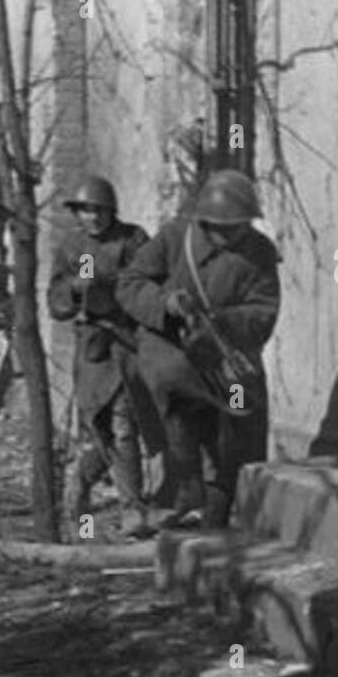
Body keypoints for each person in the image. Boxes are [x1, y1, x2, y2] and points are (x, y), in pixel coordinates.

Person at [116, 169, 279, 530]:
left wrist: (220, 321)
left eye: (239, 226)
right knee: (179, 409)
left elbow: (265, 312)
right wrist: (166, 304)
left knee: (239, 432)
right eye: (222, 227)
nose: (231, 235)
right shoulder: (175, 238)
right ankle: (184, 491)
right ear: (204, 221)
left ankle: (218, 522)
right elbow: (130, 283)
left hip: (230, 360)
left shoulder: (261, 252)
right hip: (175, 352)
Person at [48, 175, 162, 541]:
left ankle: (133, 508)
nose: (92, 218)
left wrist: (114, 288)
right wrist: (76, 289)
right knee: (101, 427)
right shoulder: (71, 246)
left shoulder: (132, 239)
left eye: (98, 210)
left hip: (127, 344)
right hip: (93, 348)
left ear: (111, 210)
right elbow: (56, 299)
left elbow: (148, 283)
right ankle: (79, 483)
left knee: (126, 427)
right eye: (85, 211)